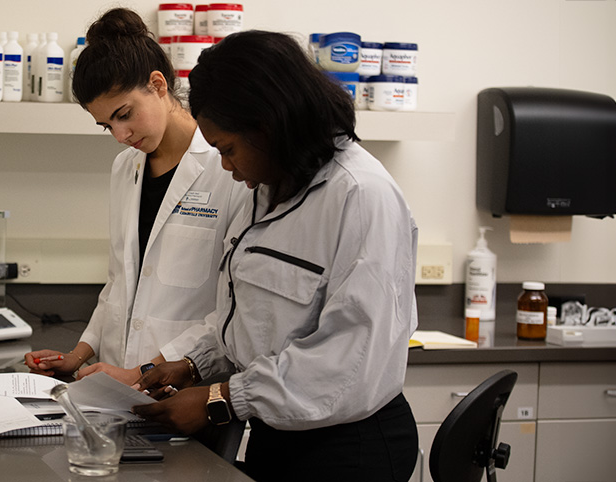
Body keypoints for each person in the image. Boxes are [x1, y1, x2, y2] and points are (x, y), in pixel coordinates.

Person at [133, 31, 420, 481]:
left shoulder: (361, 196)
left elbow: (348, 360)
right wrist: (194, 365)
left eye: (228, 149)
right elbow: (255, 318)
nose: (226, 167)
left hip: (349, 449)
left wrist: (222, 398)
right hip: (280, 434)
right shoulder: (269, 187)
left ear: (270, 125)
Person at [24, 9, 247, 385]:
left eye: (124, 114)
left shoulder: (228, 169)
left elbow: (232, 308)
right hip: (116, 386)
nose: (120, 135)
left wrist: (143, 372)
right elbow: (119, 282)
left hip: (187, 387)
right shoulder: (125, 168)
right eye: (107, 125)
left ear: (158, 85)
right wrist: (77, 355)